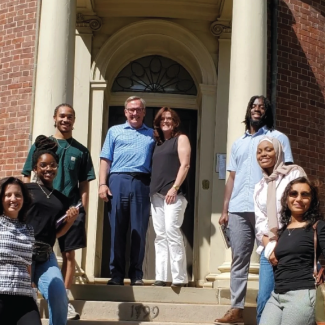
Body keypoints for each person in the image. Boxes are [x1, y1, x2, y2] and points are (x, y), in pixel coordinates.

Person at [215, 95, 293, 325]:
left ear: (267, 112)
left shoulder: (278, 138)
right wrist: (225, 209)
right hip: (239, 207)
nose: (256, 110)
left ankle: (270, 307)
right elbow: (232, 177)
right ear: (248, 111)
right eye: (253, 106)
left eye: (261, 107)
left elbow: (287, 172)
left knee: (271, 256)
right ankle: (236, 308)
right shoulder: (238, 143)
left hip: (267, 207)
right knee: (239, 258)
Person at [22, 103, 95, 320]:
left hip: (69, 208)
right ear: (55, 118)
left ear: (74, 119)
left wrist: (81, 208)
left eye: (70, 116)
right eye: (62, 116)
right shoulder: (42, 145)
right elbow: (26, 173)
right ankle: (30, 299)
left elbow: (84, 183)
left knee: (69, 254)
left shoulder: (80, 150)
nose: (65, 120)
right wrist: (26, 198)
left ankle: (65, 297)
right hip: (41, 207)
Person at [99, 96, 155, 286]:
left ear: (144, 112)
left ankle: (136, 274)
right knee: (117, 229)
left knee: (139, 229)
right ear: (125, 112)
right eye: (131, 109)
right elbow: (105, 159)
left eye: (138, 109)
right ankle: (116, 274)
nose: (134, 113)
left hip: (141, 181)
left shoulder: (151, 135)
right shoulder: (114, 132)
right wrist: (102, 184)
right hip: (118, 180)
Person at [26, 135, 79, 325]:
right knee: (26, 303)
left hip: (46, 254)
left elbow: (56, 233)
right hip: (24, 253)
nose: (48, 169)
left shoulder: (61, 199)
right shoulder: (26, 191)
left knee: (59, 296)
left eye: (52, 165)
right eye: (43, 165)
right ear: (35, 168)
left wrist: (70, 220)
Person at [254, 137, 306, 324]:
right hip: (270, 248)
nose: (263, 154)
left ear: (278, 152)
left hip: (293, 245)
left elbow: (301, 208)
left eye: (268, 150)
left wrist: (284, 243)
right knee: (263, 300)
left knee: (293, 303)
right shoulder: (259, 187)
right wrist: (270, 247)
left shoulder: (293, 174)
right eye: (259, 151)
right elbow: (260, 224)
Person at [260, 177, 324, 325]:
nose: (298, 199)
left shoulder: (317, 227)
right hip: (277, 295)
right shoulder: (282, 231)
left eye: (305, 195)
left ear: (312, 200)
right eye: (293, 194)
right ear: (286, 199)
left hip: (302, 294)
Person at [150, 107, 191, 287]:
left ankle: (179, 277)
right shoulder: (157, 143)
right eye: (162, 119)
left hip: (174, 194)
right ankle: (161, 276)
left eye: (169, 119)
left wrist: (175, 187)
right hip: (157, 194)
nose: (166, 121)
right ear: (158, 123)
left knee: (172, 231)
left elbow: (185, 165)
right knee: (160, 235)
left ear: (175, 122)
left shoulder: (180, 139)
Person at [0, 177, 41, 325]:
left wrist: (33, 292)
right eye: (8, 195)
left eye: (18, 195)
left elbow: (28, 265)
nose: (13, 199)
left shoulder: (28, 230)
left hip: (24, 298)